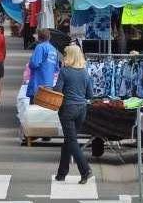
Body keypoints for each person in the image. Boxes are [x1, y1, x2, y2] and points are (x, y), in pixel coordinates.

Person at [52, 45, 93, 184]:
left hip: (68, 109)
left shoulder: (64, 71)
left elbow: (58, 90)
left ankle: (85, 170)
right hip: (82, 109)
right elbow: (90, 94)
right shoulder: (85, 72)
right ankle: (61, 173)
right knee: (69, 140)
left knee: (71, 141)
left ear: (68, 56)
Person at [27, 28, 59, 101]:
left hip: (38, 83)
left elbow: (34, 63)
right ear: (49, 37)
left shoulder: (40, 47)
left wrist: (30, 63)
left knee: (35, 108)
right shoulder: (54, 49)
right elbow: (56, 68)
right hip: (49, 84)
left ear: (39, 37)